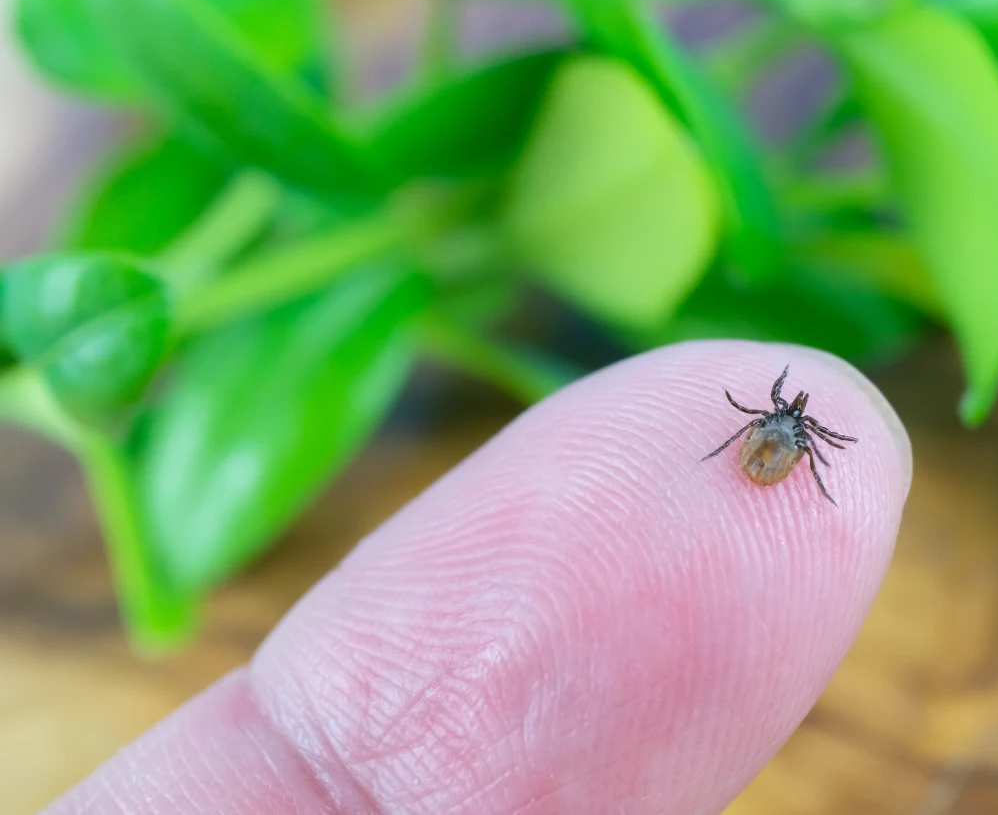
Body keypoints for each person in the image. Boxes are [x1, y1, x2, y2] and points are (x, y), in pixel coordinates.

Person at [45, 341, 913, 815]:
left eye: (790, 417)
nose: (787, 421)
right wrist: (796, 458)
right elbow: (759, 442)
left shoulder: (768, 432)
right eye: (788, 413)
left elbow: (747, 439)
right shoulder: (785, 440)